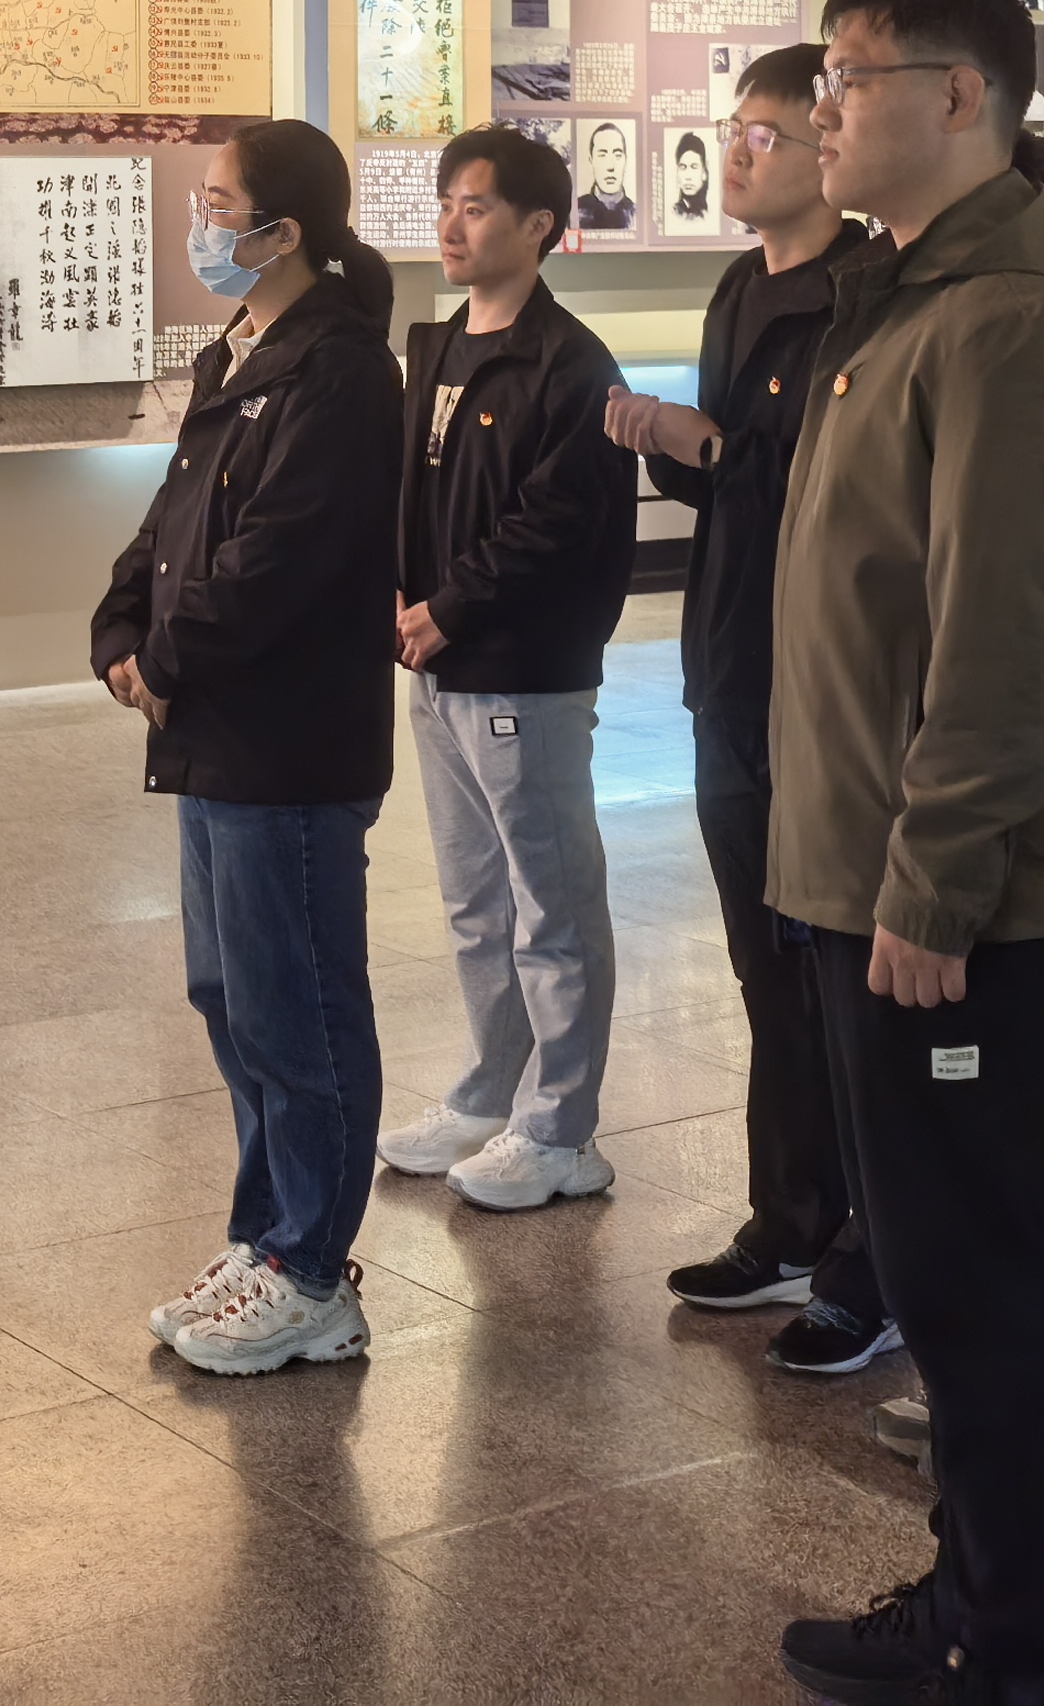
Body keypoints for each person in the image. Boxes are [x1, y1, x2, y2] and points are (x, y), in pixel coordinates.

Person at [761, 0, 1044, 1706]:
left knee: (983, 1286)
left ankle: (1008, 1646)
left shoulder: (1010, 322)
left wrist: (934, 879)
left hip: (962, 905)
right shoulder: (907, 299)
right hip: (878, 875)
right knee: (955, 1268)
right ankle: (978, 1598)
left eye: (850, 75)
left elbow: (1008, 635)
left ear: (960, 96)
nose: (821, 109)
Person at [91, 120, 405, 1377]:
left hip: (287, 741)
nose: (201, 222)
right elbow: (173, 519)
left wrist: (170, 661)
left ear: (284, 232)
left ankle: (314, 1272)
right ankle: (267, 1236)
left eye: (219, 204)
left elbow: (277, 556)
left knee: (300, 1010)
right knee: (230, 998)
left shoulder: (338, 371)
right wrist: (120, 627)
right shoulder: (240, 352)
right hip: (214, 736)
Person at [603, 44, 897, 1369]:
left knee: (838, 976)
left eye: (763, 133)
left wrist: (701, 443)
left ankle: (872, 1257)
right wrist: (680, 450)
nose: (736, 151)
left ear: (828, 146)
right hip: (727, 665)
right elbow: (737, 483)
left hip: (820, 678)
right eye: (732, 128)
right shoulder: (739, 286)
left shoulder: (861, 297)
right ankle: (789, 1216)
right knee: (762, 968)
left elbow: (829, 490)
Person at [377, 121, 638, 1209]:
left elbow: (556, 523)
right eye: (446, 202)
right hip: (436, 665)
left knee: (552, 902)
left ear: (538, 227)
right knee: (475, 900)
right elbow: (410, 496)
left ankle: (562, 1126)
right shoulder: (436, 348)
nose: (451, 223)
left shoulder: (571, 364)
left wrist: (451, 607)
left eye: (475, 206)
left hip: (522, 671)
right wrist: (405, 602)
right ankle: (491, 1089)